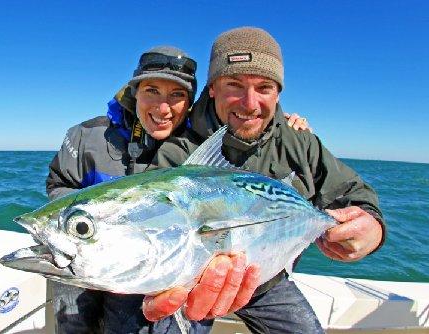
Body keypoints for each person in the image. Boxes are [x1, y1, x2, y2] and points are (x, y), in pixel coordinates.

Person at [46, 45, 310, 333]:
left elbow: (253, 127)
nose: (163, 108)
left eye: (177, 95)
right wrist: (94, 225)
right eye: (151, 91)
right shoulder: (87, 136)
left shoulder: (198, 141)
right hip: (95, 254)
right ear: (134, 91)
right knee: (72, 313)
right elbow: (60, 184)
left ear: (190, 102)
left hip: (160, 263)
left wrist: (282, 126)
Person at [145, 27, 385, 333]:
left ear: (278, 92)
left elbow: (354, 194)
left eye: (264, 87)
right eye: (234, 84)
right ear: (213, 88)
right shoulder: (178, 149)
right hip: (194, 287)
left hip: (269, 283)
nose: (250, 103)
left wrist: (370, 230)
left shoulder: (300, 143)